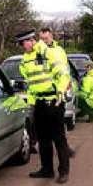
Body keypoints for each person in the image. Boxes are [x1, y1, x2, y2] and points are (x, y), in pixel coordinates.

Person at [17, 29, 71, 184]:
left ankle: (64, 171)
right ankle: (47, 169)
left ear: (31, 40)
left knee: (58, 138)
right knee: (43, 139)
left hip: (54, 100)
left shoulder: (50, 53)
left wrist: (60, 92)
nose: (22, 47)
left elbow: (63, 75)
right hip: (39, 103)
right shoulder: (25, 60)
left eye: (23, 43)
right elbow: (32, 84)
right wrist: (31, 103)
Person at [39, 27, 76, 158]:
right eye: (42, 39)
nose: (44, 41)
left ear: (52, 37)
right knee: (45, 133)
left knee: (59, 130)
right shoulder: (37, 52)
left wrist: (61, 90)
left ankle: (65, 150)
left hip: (57, 94)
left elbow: (64, 73)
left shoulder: (59, 51)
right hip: (42, 95)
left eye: (46, 38)